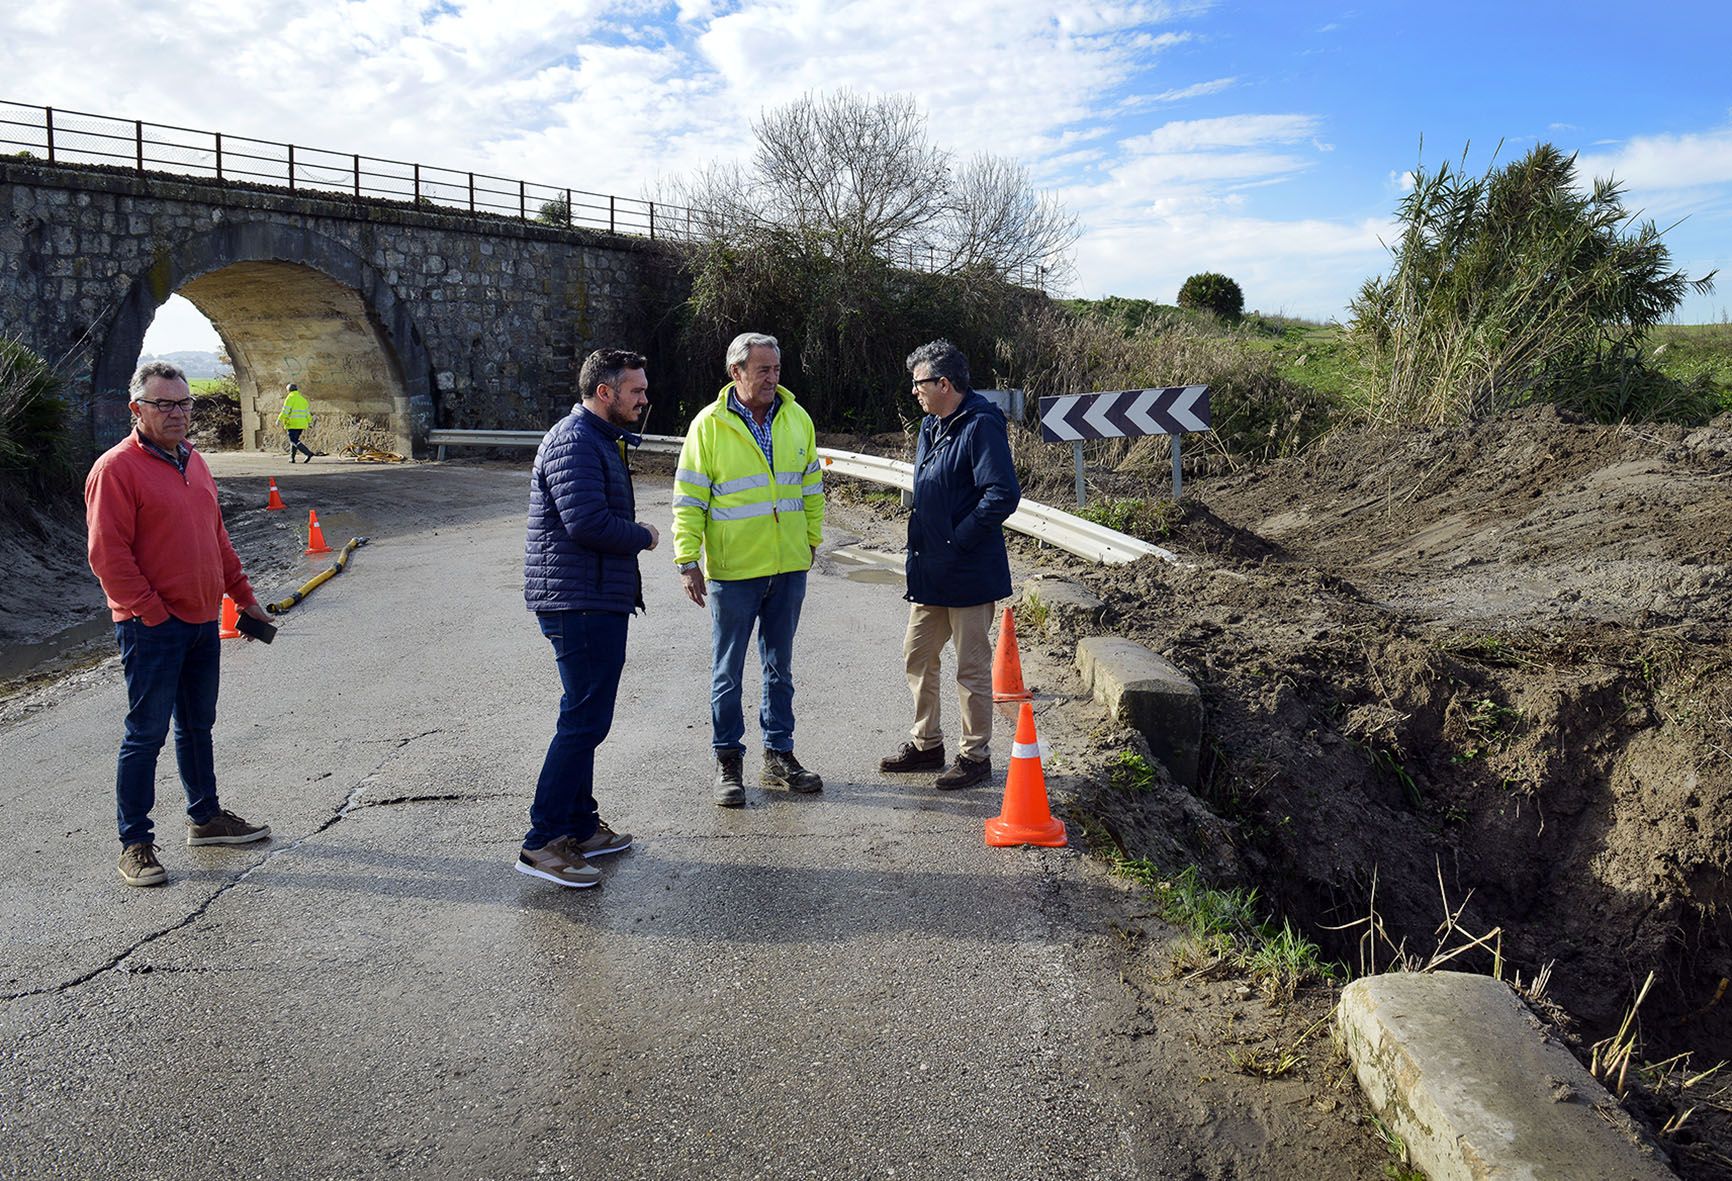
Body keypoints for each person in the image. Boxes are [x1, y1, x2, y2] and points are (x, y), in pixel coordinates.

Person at [86, 361, 275, 888]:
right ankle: (135, 843)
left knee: (197, 726)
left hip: (200, 620)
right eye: (163, 404)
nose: (177, 413)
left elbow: (218, 539)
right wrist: (150, 610)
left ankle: (206, 818)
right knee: (144, 735)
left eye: (184, 403)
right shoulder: (115, 469)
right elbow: (108, 556)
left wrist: (244, 598)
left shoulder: (194, 461)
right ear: (136, 410)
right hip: (153, 626)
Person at [518, 348, 661, 888]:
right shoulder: (575, 441)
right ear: (605, 392)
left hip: (591, 598)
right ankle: (542, 841)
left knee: (586, 718)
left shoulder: (599, 439)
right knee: (582, 722)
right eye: (636, 390)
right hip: (578, 603)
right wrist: (644, 536)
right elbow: (587, 524)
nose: (644, 399)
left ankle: (578, 824)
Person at [673, 332, 825, 807]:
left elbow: (812, 485)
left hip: (788, 568)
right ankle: (728, 761)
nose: (772, 378)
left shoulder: (797, 418)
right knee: (728, 671)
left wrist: (811, 539)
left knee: (780, 668)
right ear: (736, 372)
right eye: (762, 370)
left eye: (776, 369)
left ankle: (780, 753)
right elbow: (690, 498)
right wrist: (686, 559)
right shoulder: (709, 426)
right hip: (733, 573)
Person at [879, 340, 1021, 790]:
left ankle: (974, 756)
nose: (915, 392)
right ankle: (927, 746)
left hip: (968, 570)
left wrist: (958, 539)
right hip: (931, 570)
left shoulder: (981, 426)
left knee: (971, 667)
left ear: (944, 383)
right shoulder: (930, 426)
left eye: (920, 384)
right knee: (918, 654)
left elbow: (1002, 494)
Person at [278, 382, 315, 463]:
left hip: (292, 423)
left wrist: (279, 419)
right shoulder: (302, 399)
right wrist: (310, 422)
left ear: (288, 390)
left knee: (293, 440)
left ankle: (308, 453)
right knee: (295, 440)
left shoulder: (290, 398)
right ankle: (292, 458)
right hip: (302, 424)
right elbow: (307, 413)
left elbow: (285, 411)